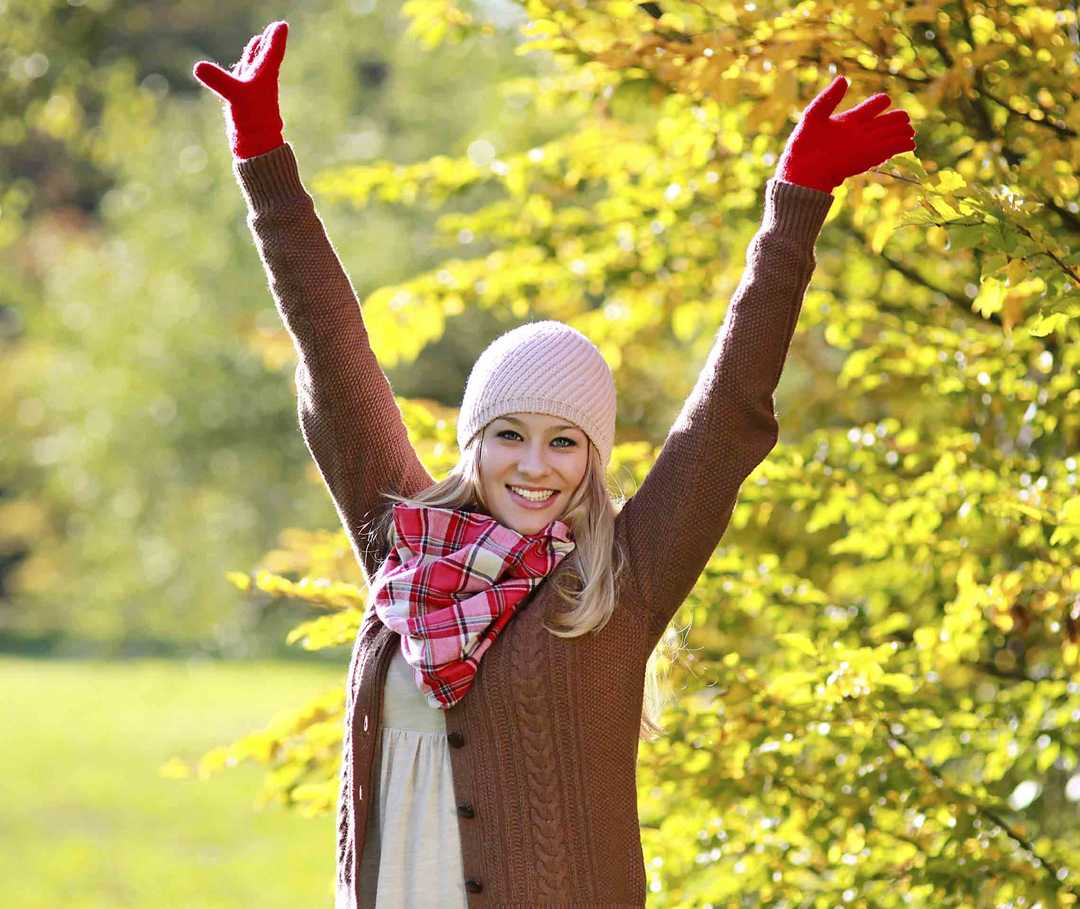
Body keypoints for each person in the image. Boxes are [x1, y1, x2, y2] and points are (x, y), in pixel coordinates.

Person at [194, 20, 915, 908]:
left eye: (564, 440)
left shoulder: (624, 578)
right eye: (509, 433)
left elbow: (728, 415)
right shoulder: (406, 548)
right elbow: (335, 353)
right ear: (474, 443)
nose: (535, 466)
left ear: (593, 458)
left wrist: (793, 205)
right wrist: (265, 159)